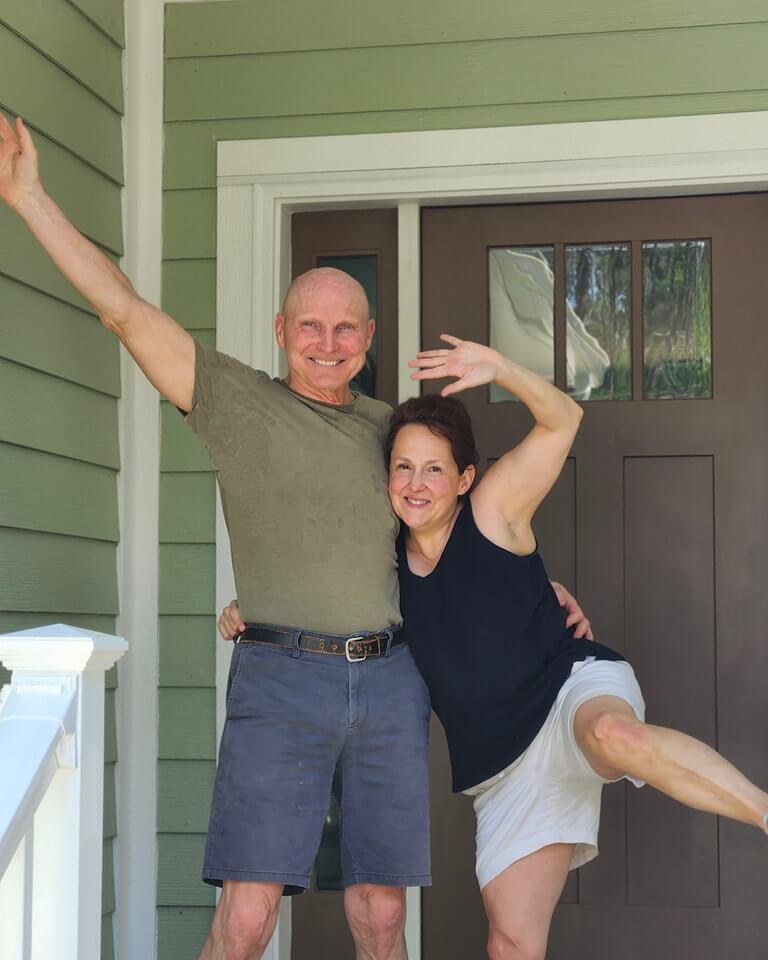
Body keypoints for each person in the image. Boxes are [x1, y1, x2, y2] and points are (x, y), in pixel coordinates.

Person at [0, 111, 592, 960]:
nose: (327, 343)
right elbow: (125, 312)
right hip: (280, 679)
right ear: (281, 332)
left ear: (369, 339)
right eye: (309, 326)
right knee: (247, 920)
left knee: (380, 916)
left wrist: (543, 596)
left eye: (346, 328)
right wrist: (29, 196)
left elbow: (468, 540)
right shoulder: (234, 402)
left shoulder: (396, 435)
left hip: (390, 680)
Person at [382, 334, 768, 960]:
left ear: (464, 478)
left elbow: (563, 419)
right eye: (404, 466)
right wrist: (247, 609)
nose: (416, 483)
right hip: (504, 768)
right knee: (510, 944)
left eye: (434, 468)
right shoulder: (383, 558)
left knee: (615, 736)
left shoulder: (492, 510)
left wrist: (499, 366)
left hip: (568, 692)